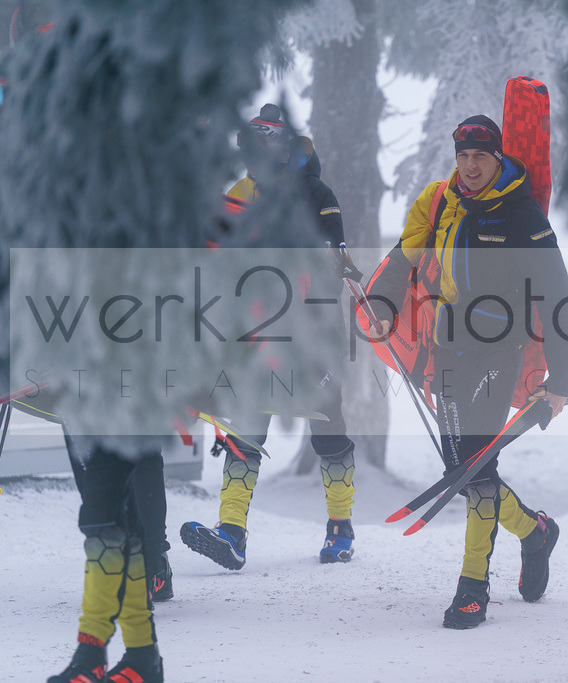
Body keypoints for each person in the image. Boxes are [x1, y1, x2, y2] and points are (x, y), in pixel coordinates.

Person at [366, 115, 568, 629]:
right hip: (447, 347)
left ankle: (471, 587)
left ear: (497, 156)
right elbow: (406, 256)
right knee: (464, 470)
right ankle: (535, 531)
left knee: (476, 468)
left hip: (499, 352)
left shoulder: (522, 214)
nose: (471, 166)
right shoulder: (441, 202)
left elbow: (556, 296)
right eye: (463, 156)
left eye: (480, 156)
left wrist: (561, 382)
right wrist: (383, 304)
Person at [181, 104, 358, 568]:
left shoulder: (317, 193)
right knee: (246, 423)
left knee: (327, 430)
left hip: (313, 331)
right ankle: (232, 532)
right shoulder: (240, 192)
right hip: (254, 332)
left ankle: (340, 526)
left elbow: (334, 263)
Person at [48, 437, 165, 683]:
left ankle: (92, 652)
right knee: (111, 505)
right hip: (77, 406)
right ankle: (142, 653)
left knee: (101, 507)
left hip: (121, 405)